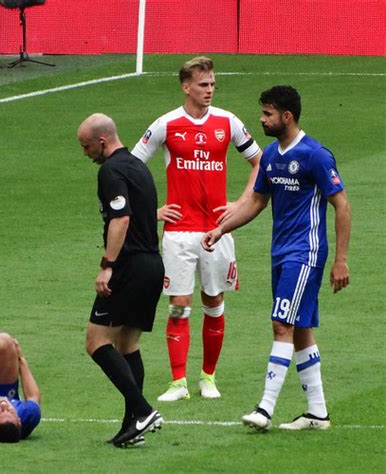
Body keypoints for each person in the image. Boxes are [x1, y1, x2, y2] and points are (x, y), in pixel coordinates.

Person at [201, 85, 351, 431]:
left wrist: (340, 260)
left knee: (281, 323)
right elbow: (256, 201)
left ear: (287, 116)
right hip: (281, 252)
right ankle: (317, 413)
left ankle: (265, 409)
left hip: (306, 252)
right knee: (298, 329)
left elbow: (341, 204)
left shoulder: (315, 155)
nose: (262, 119)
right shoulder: (270, 154)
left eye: (268, 113)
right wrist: (222, 229)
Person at [132, 56, 262, 401]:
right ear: (186, 86)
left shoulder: (228, 122)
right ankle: (178, 383)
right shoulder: (166, 124)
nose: (209, 90)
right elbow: (130, 168)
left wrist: (241, 202)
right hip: (179, 232)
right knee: (179, 303)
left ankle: (208, 378)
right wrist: (152, 210)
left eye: (212, 84)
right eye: (203, 85)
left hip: (217, 230)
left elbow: (260, 162)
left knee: (214, 300)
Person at [78, 113, 165, 447]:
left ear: (102, 141)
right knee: (128, 345)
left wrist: (107, 265)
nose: (85, 153)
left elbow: (121, 219)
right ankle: (133, 427)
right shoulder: (138, 166)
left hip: (128, 266)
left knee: (95, 340)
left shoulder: (110, 170)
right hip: (153, 265)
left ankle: (142, 411)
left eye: (86, 146)